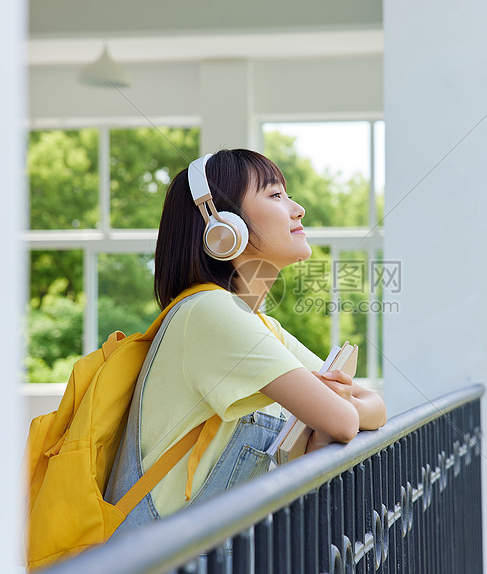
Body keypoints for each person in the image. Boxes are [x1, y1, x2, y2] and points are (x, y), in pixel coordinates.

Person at [105, 149, 387, 534]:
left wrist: (345, 404)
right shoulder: (210, 313)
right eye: (275, 196)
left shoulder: (259, 326)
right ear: (222, 227)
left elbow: (374, 405)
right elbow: (341, 420)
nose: (298, 208)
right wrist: (343, 406)